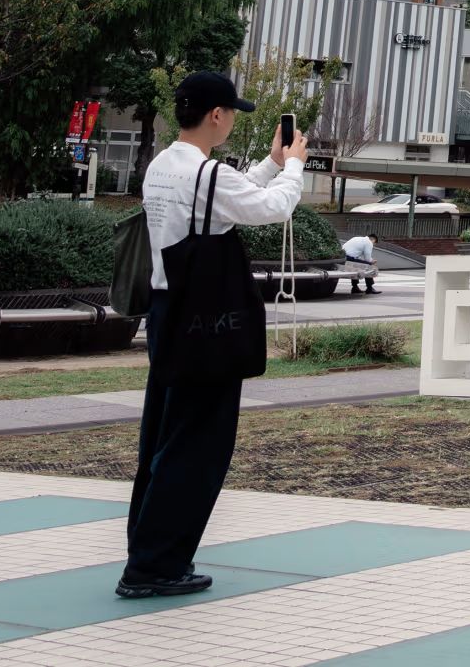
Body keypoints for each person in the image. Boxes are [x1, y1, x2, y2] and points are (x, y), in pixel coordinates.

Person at [120, 71, 308, 600]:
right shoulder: (206, 176)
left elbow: (224, 197)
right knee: (198, 445)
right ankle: (154, 567)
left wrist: (271, 164)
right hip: (207, 323)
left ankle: (149, 551)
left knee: (163, 436)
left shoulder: (162, 166)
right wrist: (292, 166)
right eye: (231, 112)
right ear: (216, 116)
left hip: (167, 313)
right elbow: (269, 208)